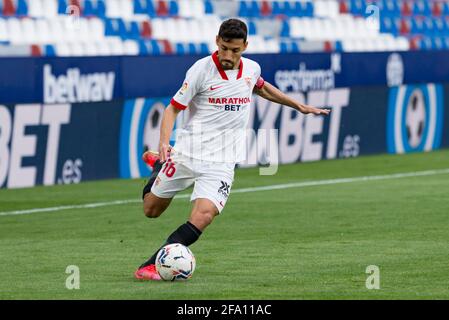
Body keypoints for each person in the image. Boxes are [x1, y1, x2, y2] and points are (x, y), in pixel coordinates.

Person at [134, 18, 330, 280]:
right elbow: (172, 109)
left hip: (222, 162)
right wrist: (163, 143)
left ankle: (150, 264)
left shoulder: (251, 69)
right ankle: (159, 164)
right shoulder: (200, 70)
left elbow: (261, 87)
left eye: (235, 50)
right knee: (151, 210)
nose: (228, 55)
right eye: (224, 48)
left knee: (203, 216)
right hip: (188, 153)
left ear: (245, 46)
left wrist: (299, 106)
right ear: (217, 41)